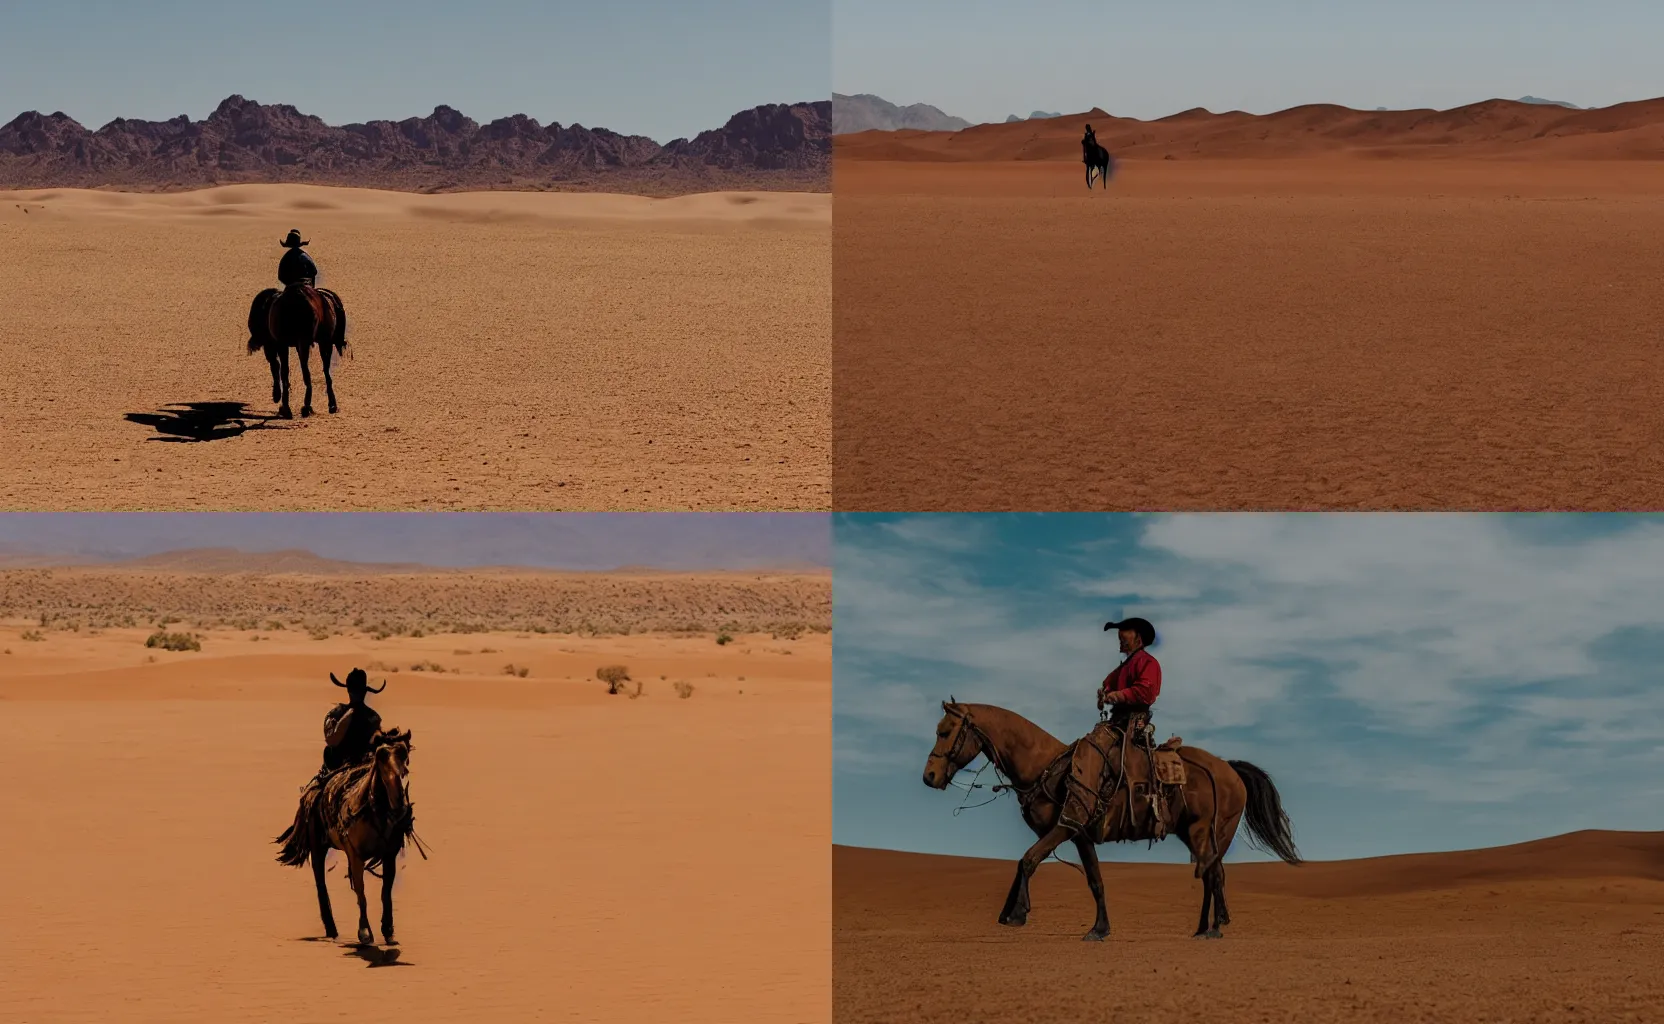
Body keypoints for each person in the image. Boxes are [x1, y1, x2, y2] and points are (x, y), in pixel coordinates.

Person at [1097, 616, 1161, 738]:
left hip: (1134, 723)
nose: (1120, 639)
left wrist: (1117, 695)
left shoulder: (1149, 662)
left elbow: (1145, 691)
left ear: (1138, 638)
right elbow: (1108, 684)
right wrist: (1104, 695)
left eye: (1125, 634)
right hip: (1116, 721)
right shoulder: (1124, 667)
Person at [321, 668, 385, 773]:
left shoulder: (335, 714)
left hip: (342, 767)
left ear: (348, 691)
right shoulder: (373, 717)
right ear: (365, 692)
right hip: (362, 767)